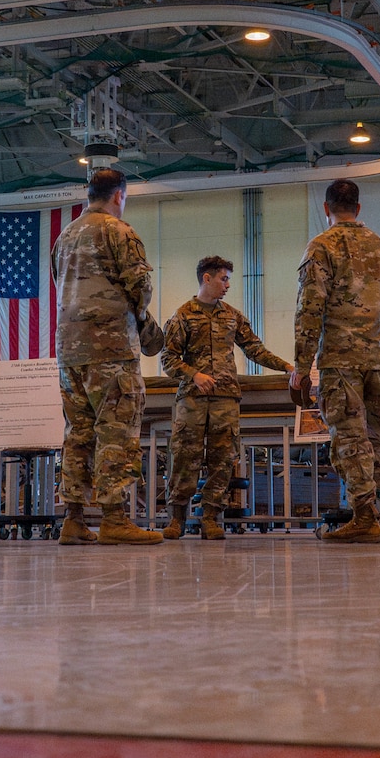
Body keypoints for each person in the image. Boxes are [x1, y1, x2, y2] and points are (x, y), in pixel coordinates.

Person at [291, 178, 380, 544]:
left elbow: (310, 309)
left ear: (326, 208)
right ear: (358, 208)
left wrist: (301, 368)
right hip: (378, 361)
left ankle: (365, 517)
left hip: (340, 361)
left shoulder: (321, 247)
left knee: (350, 437)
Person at [53, 167, 165, 546]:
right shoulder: (119, 231)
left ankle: (73, 519)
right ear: (119, 195)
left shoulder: (64, 237)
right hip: (111, 350)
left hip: (70, 352)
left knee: (78, 433)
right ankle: (114, 519)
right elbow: (140, 287)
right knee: (116, 430)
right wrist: (146, 327)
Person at [159, 255, 289, 540]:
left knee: (222, 460)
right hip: (192, 398)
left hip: (225, 399)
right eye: (224, 279)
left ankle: (211, 518)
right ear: (207, 278)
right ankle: (177, 519)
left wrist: (287, 367)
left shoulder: (232, 316)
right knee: (184, 457)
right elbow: (167, 358)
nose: (228, 285)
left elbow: (255, 349)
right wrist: (194, 374)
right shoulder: (183, 315)